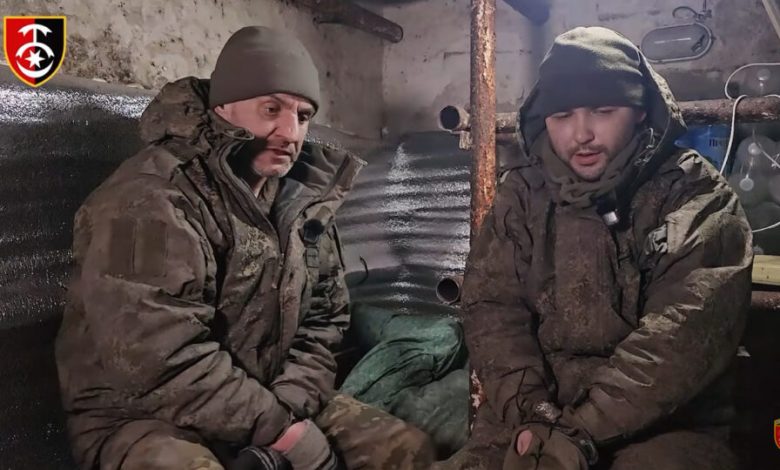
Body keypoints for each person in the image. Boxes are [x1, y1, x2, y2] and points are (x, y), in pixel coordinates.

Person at [55, 26, 434, 470]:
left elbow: (326, 319)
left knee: (405, 450)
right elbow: (159, 359)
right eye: (271, 109)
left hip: (270, 397)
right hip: (145, 417)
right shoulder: (148, 199)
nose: (290, 132)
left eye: (303, 115)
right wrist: (281, 432)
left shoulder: (302, 201)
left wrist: (291, 405)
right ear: (224, 107)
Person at [456, 26, 753, 470]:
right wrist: (532, 414)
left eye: (603, 111)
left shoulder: (694, 195)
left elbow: (678, 340)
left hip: (666, 426)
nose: (581, 134)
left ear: (638, 111)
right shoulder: (522, 195)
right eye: (562, 116)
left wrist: (580, 432)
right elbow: (493, 308)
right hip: (534, 417)